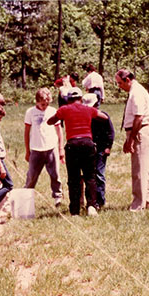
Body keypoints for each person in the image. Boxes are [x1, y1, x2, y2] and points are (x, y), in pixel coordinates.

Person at [47, 87, 109, 217]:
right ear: (81, 98)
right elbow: (104, 117)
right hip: (87, 144)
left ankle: (75, 210)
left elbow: (50, 121)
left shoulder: (64, 109)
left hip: (72, 145)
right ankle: (91, 205)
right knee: (90, 176)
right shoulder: (88, 109)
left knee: (74, 178)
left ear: (68, 99)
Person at [114, 69, 149, 212]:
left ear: (127, 80)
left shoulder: (136, 92)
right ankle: (148, 201)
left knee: (138, 171)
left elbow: (139, 117)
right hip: (137, 131)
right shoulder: (135, 91)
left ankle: (138, 205)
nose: (119, 86)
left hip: (139, 131)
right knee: (144, 169)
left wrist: (131, 139)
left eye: (120, 83)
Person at [24, 88, 64, 207]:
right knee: (31, 176)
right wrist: (27, 150)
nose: (44, 107)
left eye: (46, 104)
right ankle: (26, 199)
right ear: (36, 101)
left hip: (51, 147)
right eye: (42, 104)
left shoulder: (52, 111)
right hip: (36, 149)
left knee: (55, 174)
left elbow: (59, 130)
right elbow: (26, 132)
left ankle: (58, 197)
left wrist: (61, 147)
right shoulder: (30, 112)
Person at [82, 93, 114, 208]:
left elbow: (110, 132)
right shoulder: (84, 116)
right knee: (89, 176)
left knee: (99, 175)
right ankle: (90, 201)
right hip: (88, 149)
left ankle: (100, 200)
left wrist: (108, 147)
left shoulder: (103, 117)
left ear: (96, 104)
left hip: (100, 149)